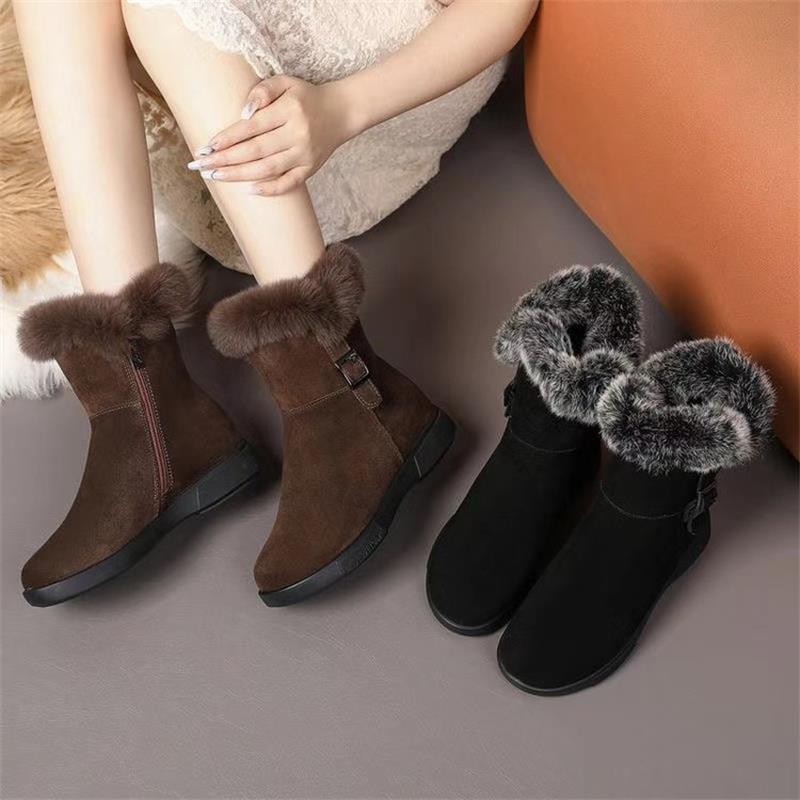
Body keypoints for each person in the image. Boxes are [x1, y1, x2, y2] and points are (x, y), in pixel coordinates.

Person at [12, 0, 540, 607]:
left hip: (371, 103)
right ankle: (144, 413)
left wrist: (340, 110)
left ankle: (341, 390)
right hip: (226, 144)